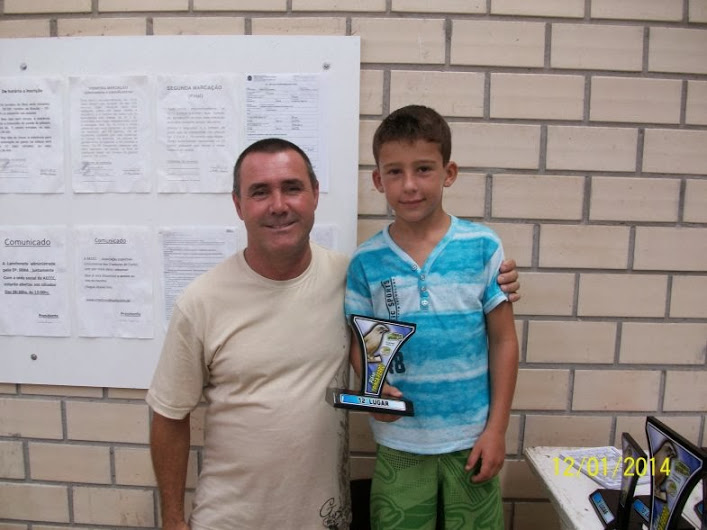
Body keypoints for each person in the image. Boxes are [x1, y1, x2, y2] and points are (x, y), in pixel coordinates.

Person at [147, 137, 520, 530]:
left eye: (292, 188)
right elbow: (169, 414)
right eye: (260, 192)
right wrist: (172, 518)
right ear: (238, 204)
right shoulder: (201, 301)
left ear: (314, 195)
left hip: (324, 519)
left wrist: (498, 281)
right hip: (229, 520)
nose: (278, 205)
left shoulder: (351, 275)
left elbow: (426, 305)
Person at [345, 105, 519, 530]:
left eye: (423, 169)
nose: (409, 185)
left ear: (448, 172)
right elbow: (362, 345)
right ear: (378, 180)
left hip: (472, 439)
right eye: (394, 172)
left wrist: (496, 430)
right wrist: (374, 388)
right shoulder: (366, 261)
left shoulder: (482, 246)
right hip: (400, 441)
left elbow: (503, 341)